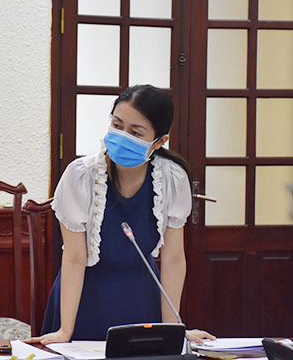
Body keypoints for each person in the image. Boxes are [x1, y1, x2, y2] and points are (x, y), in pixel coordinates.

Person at [27, 85, 215, 345]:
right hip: (83, 301)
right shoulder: (81, 175)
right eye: (117, 125)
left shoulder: (171, 178)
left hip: (143, 300)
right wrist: (65, 331)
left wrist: (174, 329)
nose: (122, 136)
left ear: (159, 141)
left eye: (135, 132)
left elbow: (173, 259)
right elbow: (74, 258)